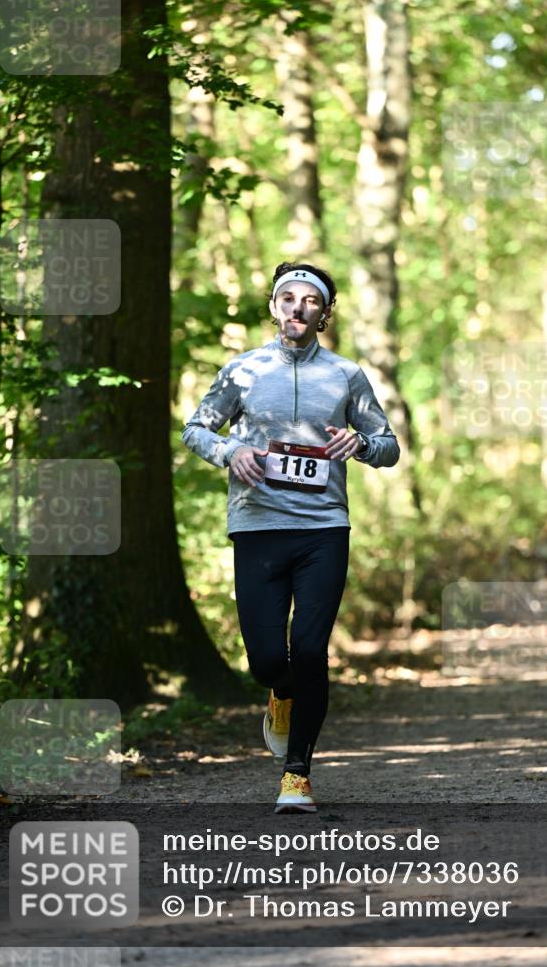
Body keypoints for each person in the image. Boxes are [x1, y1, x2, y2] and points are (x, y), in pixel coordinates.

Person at [181, 261, 400, 812]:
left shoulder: (346, 375)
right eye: (288, 299)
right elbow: (195, 428)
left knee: (309, 649)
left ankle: (296, 774)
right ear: (274, 307)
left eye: (309, 301)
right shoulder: (243, 371)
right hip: (257, 524)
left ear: (324, 313)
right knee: (264, 659)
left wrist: (362, 446)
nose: (297, 308)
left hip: (324, 528)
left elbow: (388, 444)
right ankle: (279, 695)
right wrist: (232, 451)